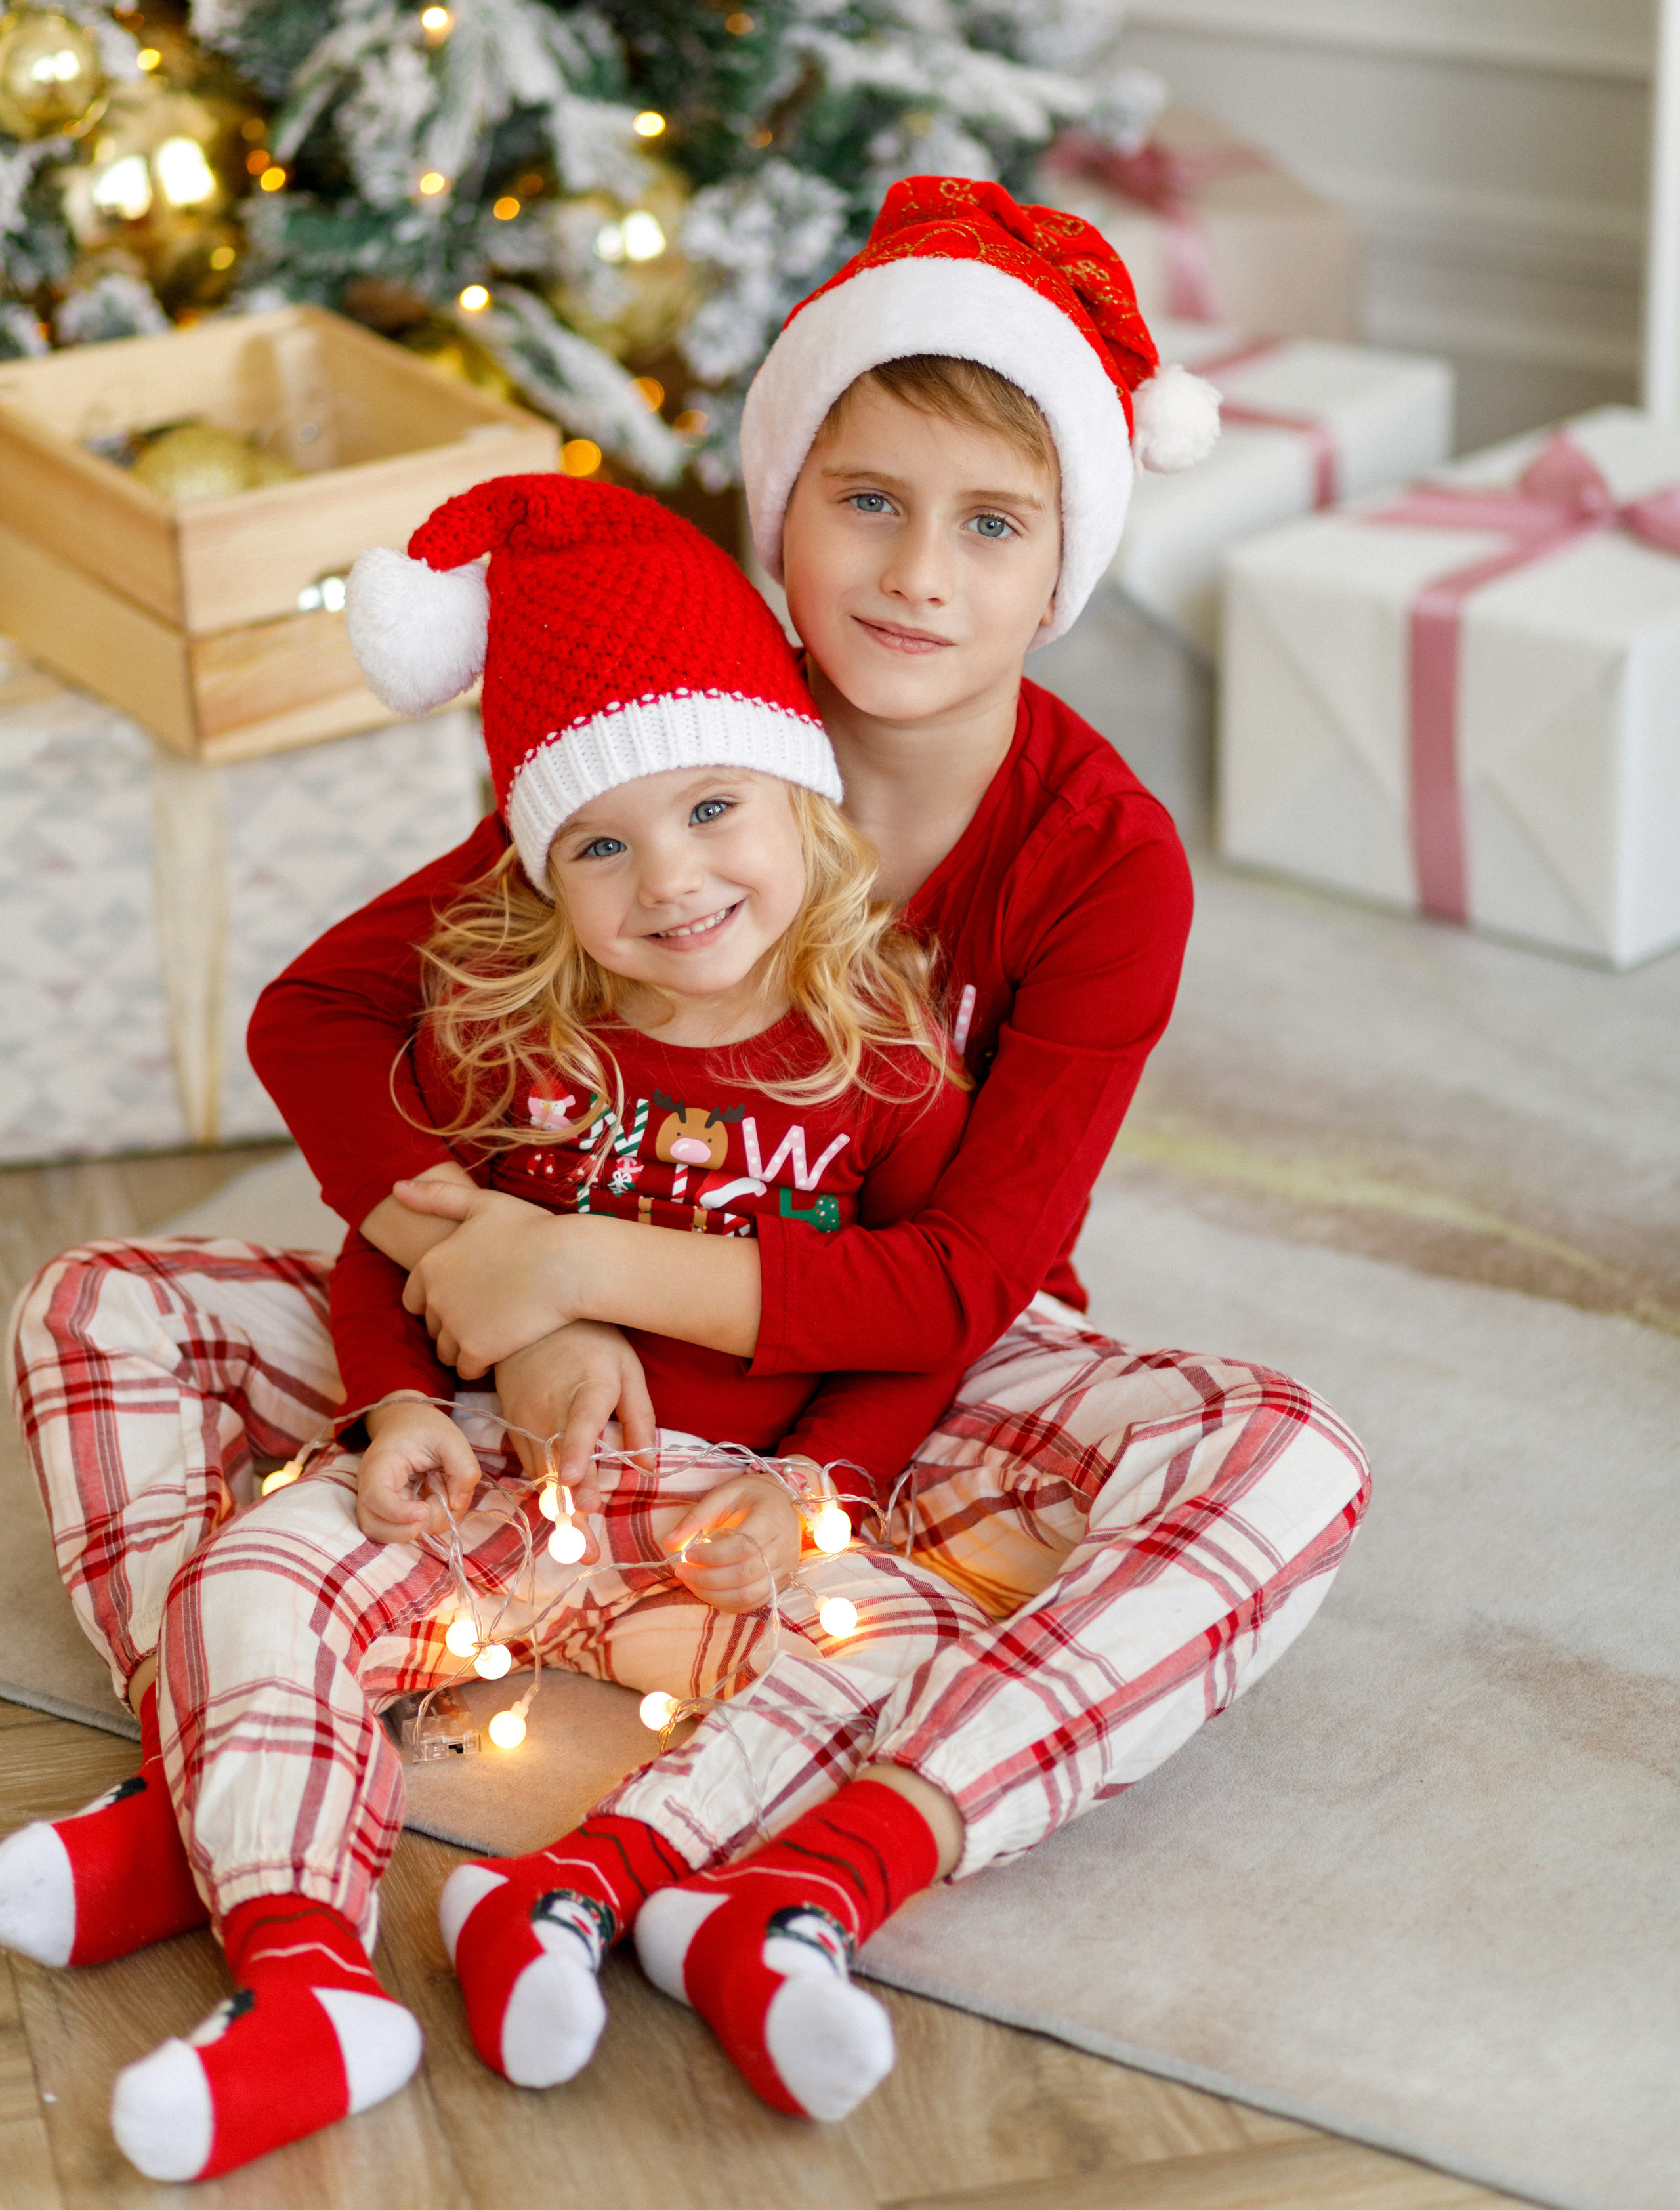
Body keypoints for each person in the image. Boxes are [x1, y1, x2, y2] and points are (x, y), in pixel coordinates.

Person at [262, 182, 1370, 2106]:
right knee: (106, 1304)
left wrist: (583, 1274)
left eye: (992, 522)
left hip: (912, 1364)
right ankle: (268, 1781)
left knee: (1288, 1460)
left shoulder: (1103, 865)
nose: (918, 574)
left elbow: (966, 1279)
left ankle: (804, 1875)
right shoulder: (674, 738)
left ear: (1065, 562)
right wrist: (505, 1293)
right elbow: (322, 1016)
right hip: (572, 1356)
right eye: (867, 499)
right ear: (780, 504)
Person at [1, 482, 1001, 2182]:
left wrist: (814, 1491)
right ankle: (305, 1972)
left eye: (712, 807)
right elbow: (396, 1252)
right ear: (541, 873)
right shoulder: (514, 1032)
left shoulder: (886, 1058)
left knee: (919, 1660)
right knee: (256, 1574)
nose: (670, 879)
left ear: (807, 804)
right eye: (601, 845)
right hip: (479, 1487)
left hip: (720, 1530)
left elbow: (919, 1322)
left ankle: (632, 1899)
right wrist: (398, 1410)